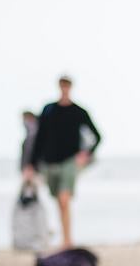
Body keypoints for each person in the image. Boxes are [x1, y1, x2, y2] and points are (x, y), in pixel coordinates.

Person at [25, 76, 102, 249]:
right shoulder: (48, 110)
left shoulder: (79, 111)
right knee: (58, 201)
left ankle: (67, 240)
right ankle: (65, 237)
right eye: (62, 86)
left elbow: (97, 136)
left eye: (67, 86)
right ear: (59, 87)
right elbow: (39, 138)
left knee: (64, 198)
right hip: (50, 162)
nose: (64, 89)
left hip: (70, 161)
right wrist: (31, 163)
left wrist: (86, 154)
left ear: (71, 88)